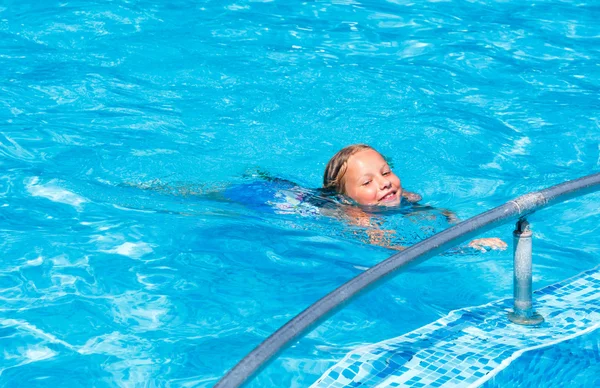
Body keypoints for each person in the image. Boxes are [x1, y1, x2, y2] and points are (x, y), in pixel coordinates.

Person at [323, 144, 507, 252]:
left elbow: (444, 213)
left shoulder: (403, 197)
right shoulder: (359, 220)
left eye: (386, 172)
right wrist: (463, 247)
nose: (384, 183)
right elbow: (402, 251)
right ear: (346, 199)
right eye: (367, 182)